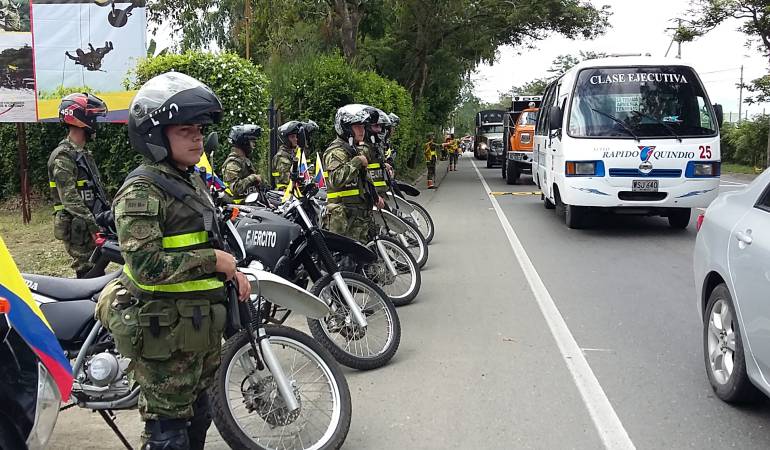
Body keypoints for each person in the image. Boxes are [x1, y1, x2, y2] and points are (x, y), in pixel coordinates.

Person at [99, 72, 251, 450]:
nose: (198, 137)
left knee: (198, 418)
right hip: (163, 335)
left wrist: (232, 273)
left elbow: (206, 237)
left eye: (199, 129)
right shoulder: (143, 190)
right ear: (155, 134)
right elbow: (146, 264)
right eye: (186, 130)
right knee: (169, 435)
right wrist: (213, 261)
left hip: (196, 330)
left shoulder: (189, 180)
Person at [47, 92, 109, 278]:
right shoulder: (63, 156)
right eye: (94, 118)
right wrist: (94, 228)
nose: (96, 123)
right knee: (88, 271)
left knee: (98, 267)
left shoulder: (82, 153)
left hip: (89, 221)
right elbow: (70, 199)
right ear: (81, 120)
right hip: (78, 228)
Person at [321, 104, 384, 244]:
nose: (362, 130)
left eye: (362, 126)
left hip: (358, 216)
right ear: (346, 128)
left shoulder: (353, 148)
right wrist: (356, 162)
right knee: (346, 263)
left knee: (363, 260)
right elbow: (335, 179)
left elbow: (363, 178)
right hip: (344, 219)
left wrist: (374, 196)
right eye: (357, 127)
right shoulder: (336, 151)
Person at [220, 124, 262, 203]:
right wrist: (252, 178)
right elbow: (235, 189)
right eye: (252, 142)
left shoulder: (244, 160)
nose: (254, 145)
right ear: (244, 142)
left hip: (251, 206)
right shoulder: (233, 163)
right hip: (239, 210)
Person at [272, 120, 300, 189]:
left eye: (296, 136)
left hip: (293, 191)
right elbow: (286, 179)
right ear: (285, 139)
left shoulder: (292, 152)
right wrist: (301, 177)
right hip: (284, 193)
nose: (296, 139)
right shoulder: (282, 156)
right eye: (292, 137)